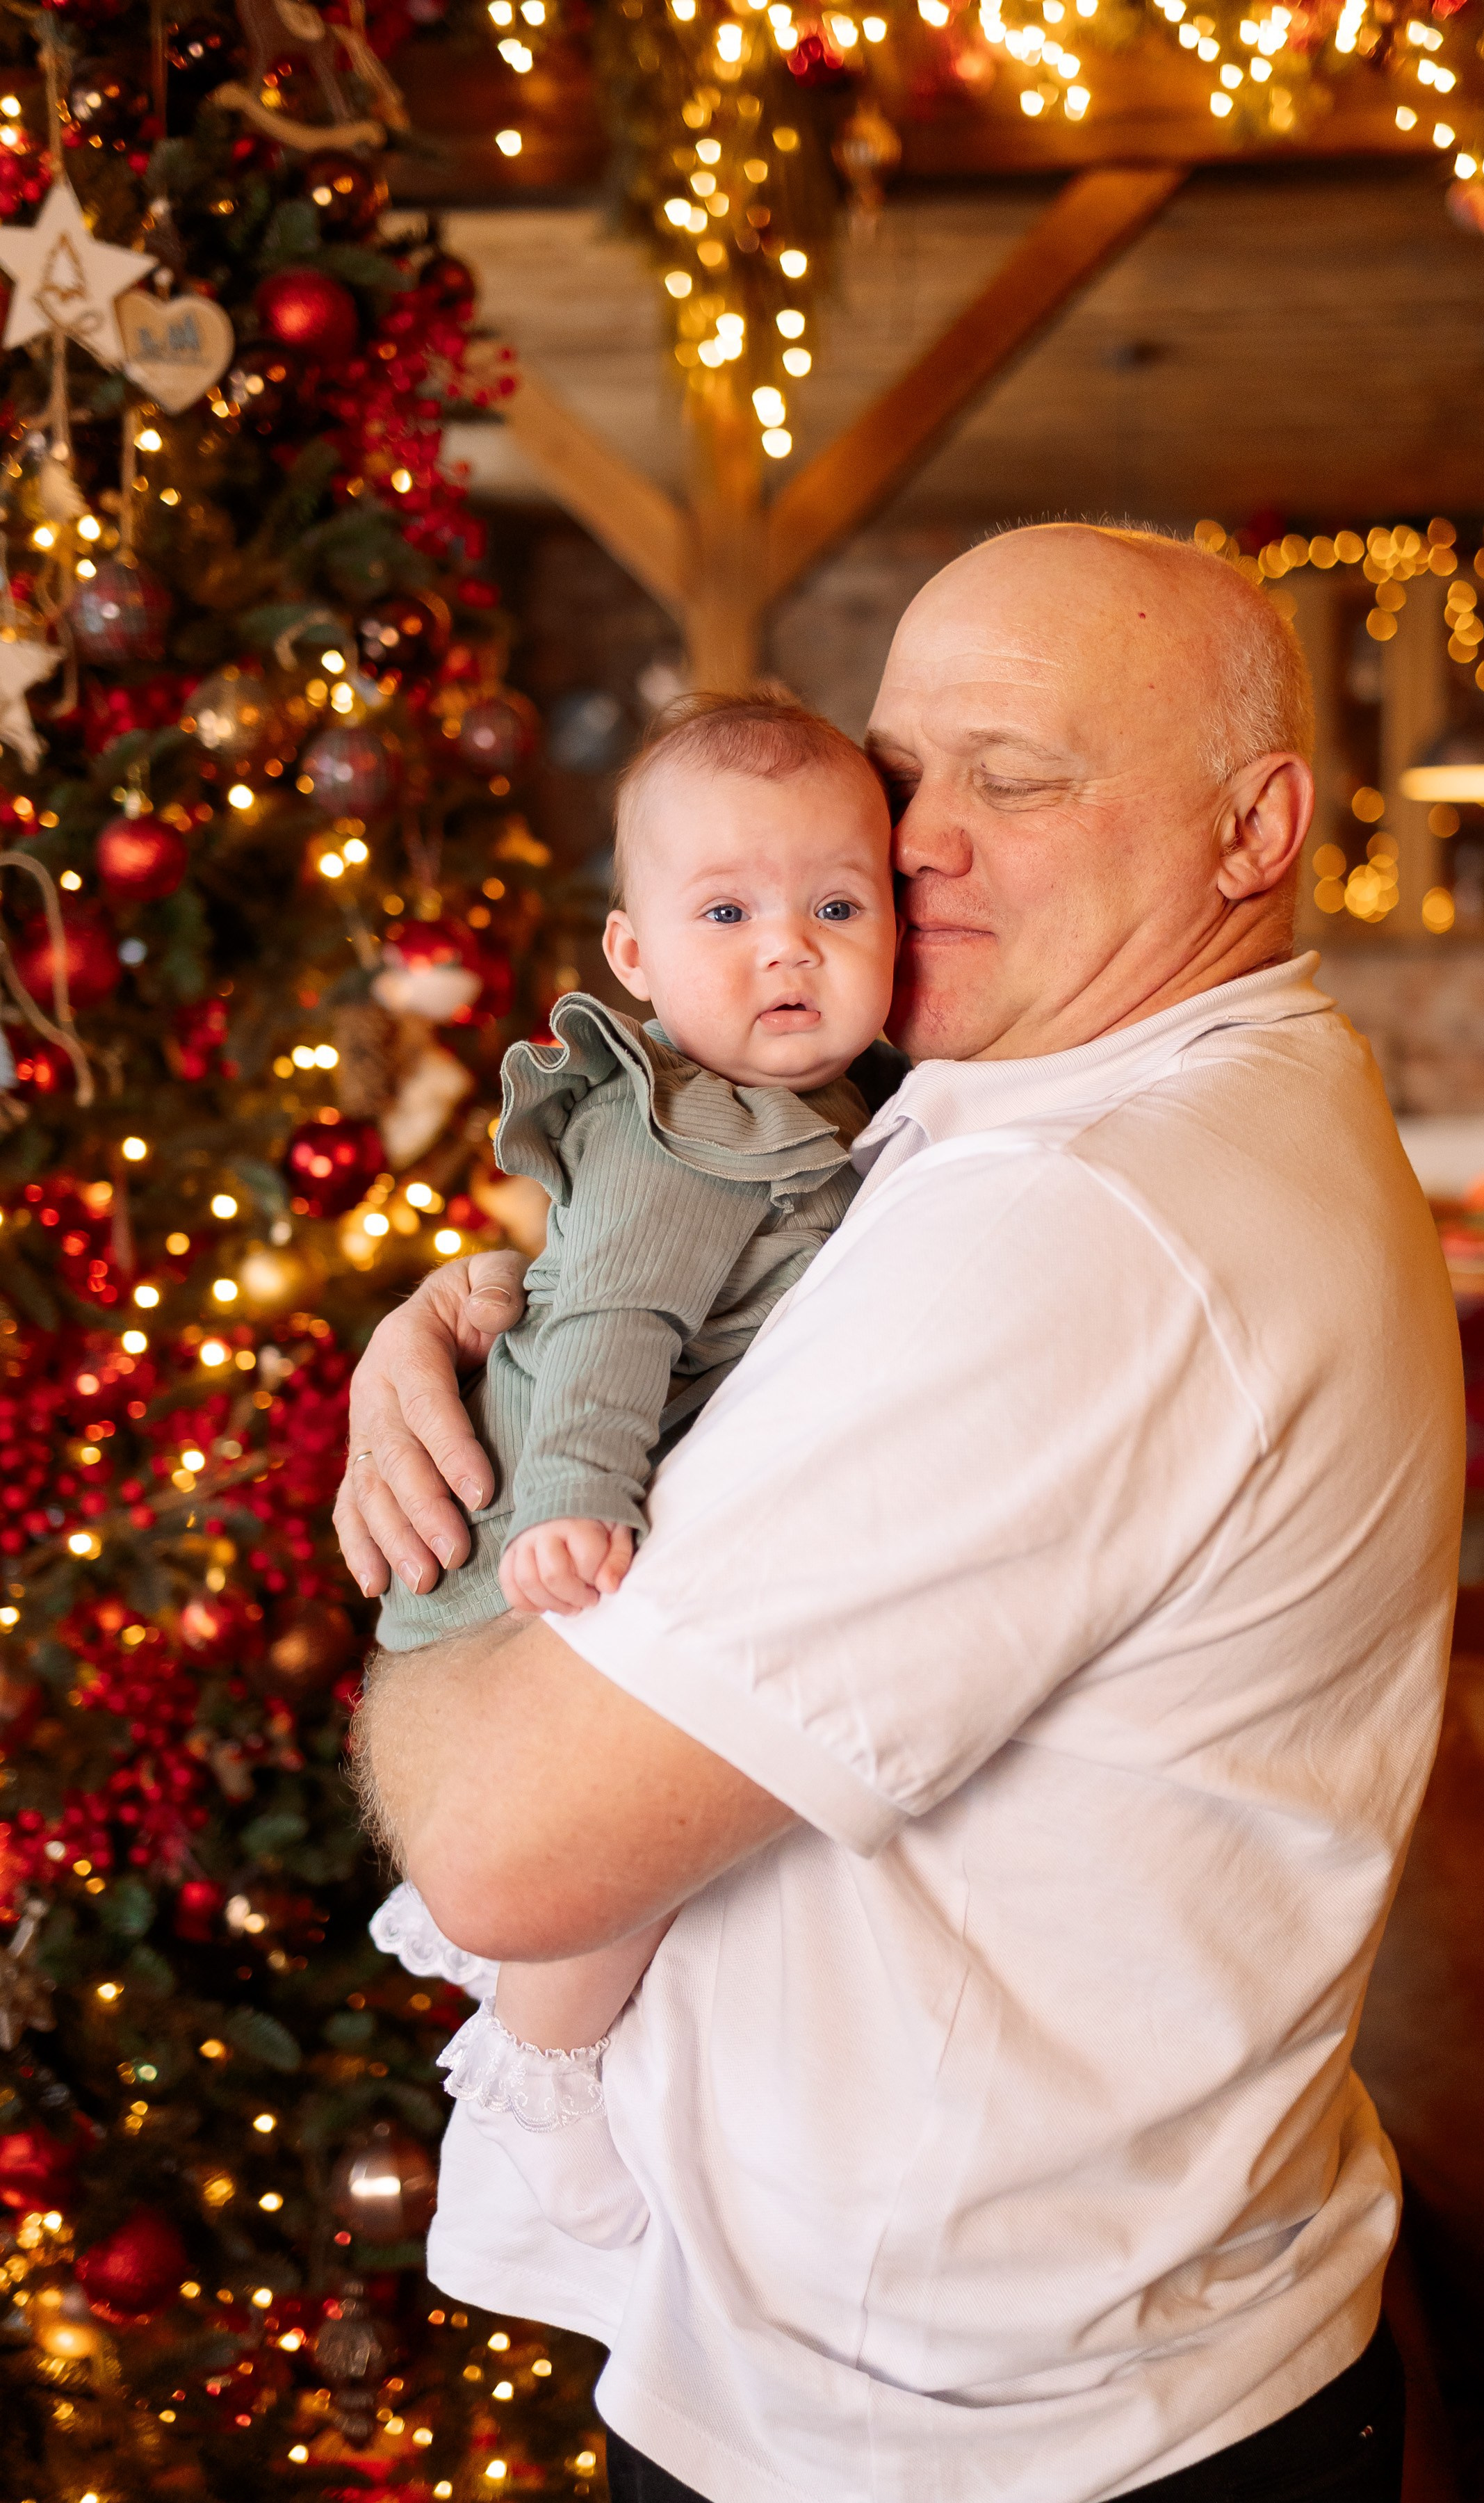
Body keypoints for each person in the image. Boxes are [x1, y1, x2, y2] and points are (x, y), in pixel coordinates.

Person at [342, 522, 1465, 2503]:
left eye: (1016, 776)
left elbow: (511, 1854)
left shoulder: (1087, 1210)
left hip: (978, 2448)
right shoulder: (1074, 1099)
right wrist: (481, 1327)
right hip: (1105, 2357)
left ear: (1254, 825)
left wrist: (457, 1533)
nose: (920, 838)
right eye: (905, 769)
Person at [371, 687, 897, 2242]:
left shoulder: (808, 1102)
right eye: (727, 909)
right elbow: (606, 1327)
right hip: (542, 1526)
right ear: (636, 958)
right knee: (599, 1867)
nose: (787, 946)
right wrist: (573, 1507)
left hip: (603, 1512)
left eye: (837, 905)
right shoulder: (685, 1133)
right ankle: (540, 2098)